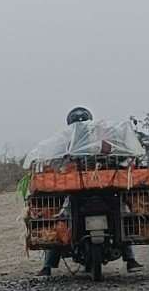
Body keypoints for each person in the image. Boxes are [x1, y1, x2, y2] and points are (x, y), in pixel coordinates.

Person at [39, 107, 142, 276]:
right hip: (81, 191)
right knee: (61, 218)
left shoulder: (101, 138)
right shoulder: (65, 142)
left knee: (121, 213)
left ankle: (48, 265)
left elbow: (118, 153)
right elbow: (55, 161)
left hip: (104, 189)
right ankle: (48, 264)